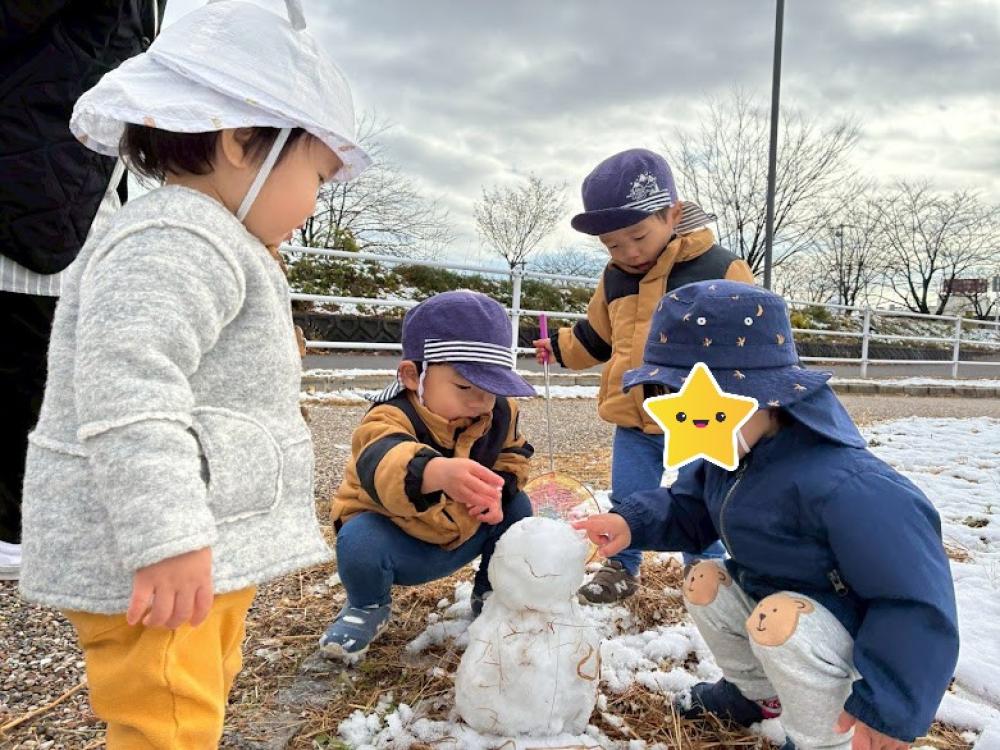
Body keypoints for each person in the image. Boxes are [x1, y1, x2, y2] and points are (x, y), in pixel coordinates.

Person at [18, 2, 372, 746]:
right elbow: (130, 389)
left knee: (194, 697)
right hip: (157, 556)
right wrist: (169, 538)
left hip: (194, 548)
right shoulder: (175, 238)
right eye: (317, 175)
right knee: (166, 720)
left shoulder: (215, 238)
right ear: (244, 142)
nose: (313, 204)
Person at [575, 280, 959, 750]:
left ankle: (821, 737)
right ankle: (756, 695)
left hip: (846, 640)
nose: (680, 418)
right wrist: (630, 521)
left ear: (767, 395)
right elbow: (691, 507)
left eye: (696, 402)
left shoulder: (848, 485)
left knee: (778, 619)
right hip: (774, 610)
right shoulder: (732, 453)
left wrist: (889, 707)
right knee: (705, 581)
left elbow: (914, 601)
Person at [534, 148, 754, 604]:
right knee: (630, 496)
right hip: (634, 414)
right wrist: (559, 348)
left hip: (700, 417)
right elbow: (597, 336)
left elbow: (751, 343)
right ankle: (622, 566)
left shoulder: (720, 269)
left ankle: (706, 571)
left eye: (638, 236)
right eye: (614, 244)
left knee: (702, 498)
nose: (628, 252)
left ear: (672, 214)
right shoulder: (614, 279)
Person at [0, 0, 166, 581]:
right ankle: (17, 527)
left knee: (57, 358)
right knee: (34, 363)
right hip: (32, 181)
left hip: (77, 186)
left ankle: (33, 520)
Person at [320, 290, 536, 662]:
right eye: (465, 387)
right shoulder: (389, 416)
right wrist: (433, 471)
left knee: (519, 507)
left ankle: (491, 587)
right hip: (401, 537)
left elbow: (514, 454)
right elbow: (383, 459)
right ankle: (367, 605)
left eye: (492, 390)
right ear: (411, 375)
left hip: (466, 528)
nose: (480, 402)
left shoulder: (500, 412)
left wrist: (497, 492)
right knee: (357, 540)